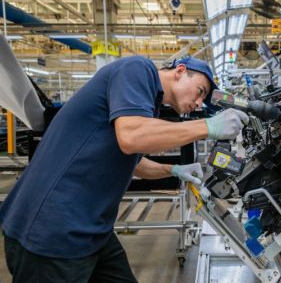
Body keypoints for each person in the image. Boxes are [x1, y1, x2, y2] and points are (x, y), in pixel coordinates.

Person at [0, 56, 249, 282]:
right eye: (199, 92)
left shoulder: (146, 104)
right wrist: (207, 126)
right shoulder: (137, 69)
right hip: (51, 232)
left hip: (92, 231)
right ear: (180, 71)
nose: (198, 103)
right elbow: (131, 137)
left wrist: (173, 170)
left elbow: (133, 160)